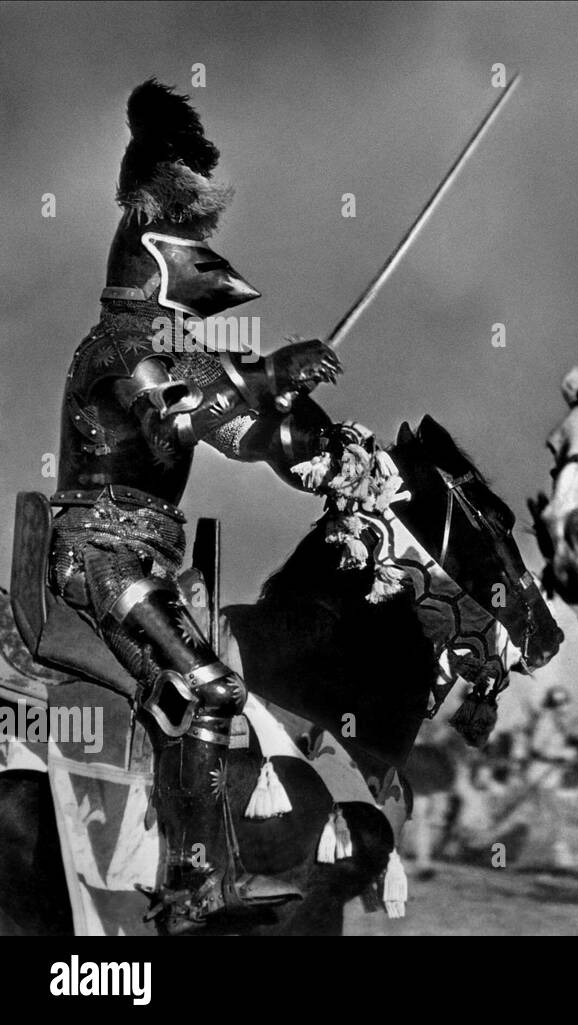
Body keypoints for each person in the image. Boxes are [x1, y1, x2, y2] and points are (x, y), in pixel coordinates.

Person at [47, 80, 344, 930]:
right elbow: (178, 415)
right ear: (154, 259)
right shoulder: (116, 350)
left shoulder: (182, 350)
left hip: (151, 561)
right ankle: (191, 886)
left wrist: (304, 432)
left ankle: (210, 874)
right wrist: (269, 371)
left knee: (225, 692)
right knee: (208, 689)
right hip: (97, 557)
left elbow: (245, 440)